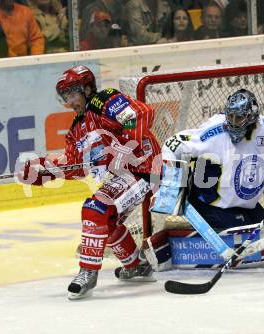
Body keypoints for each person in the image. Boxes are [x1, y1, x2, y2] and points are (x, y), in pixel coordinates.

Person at [16, 65, 162, 300]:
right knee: (106, 218)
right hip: (127, 175)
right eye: (65, 97)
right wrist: (42, 173)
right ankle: (136, 265)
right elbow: (76, 167)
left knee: (94, 208)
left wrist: (127, 148)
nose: (70, 101)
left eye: (73, 94)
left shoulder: (105, 101)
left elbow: (141, 114)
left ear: (87, 88)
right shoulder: (76, 129)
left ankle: (88, 272)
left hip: (147, 168)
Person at [159, 89, 264, 261]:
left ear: (252, 117)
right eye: (229, 116)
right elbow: (171, 145)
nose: (232, 122)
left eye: (238, 118)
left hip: (244, 204)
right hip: (211, 204)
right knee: (253, 237)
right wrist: (171, 186)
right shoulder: (213, 133)